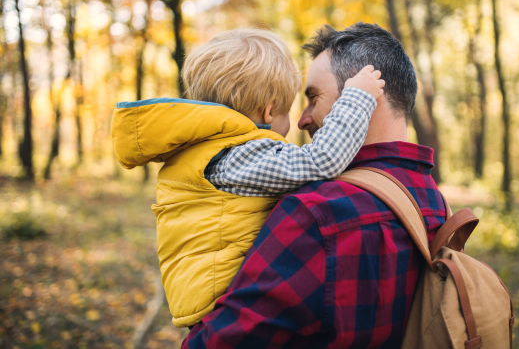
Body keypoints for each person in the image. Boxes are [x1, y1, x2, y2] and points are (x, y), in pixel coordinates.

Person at [182, 23, 448, 348]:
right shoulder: (433, 201)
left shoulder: (315, 212)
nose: (302, 119)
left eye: (313, 97)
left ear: (364, 99)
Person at [111, 28, 385, 328]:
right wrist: (357, 99)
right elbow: (321, 160)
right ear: (268, 111)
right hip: (222, 303)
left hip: (209, 294)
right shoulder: (239, 155)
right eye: (286, 111)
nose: (294, 121)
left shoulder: (204, 150)